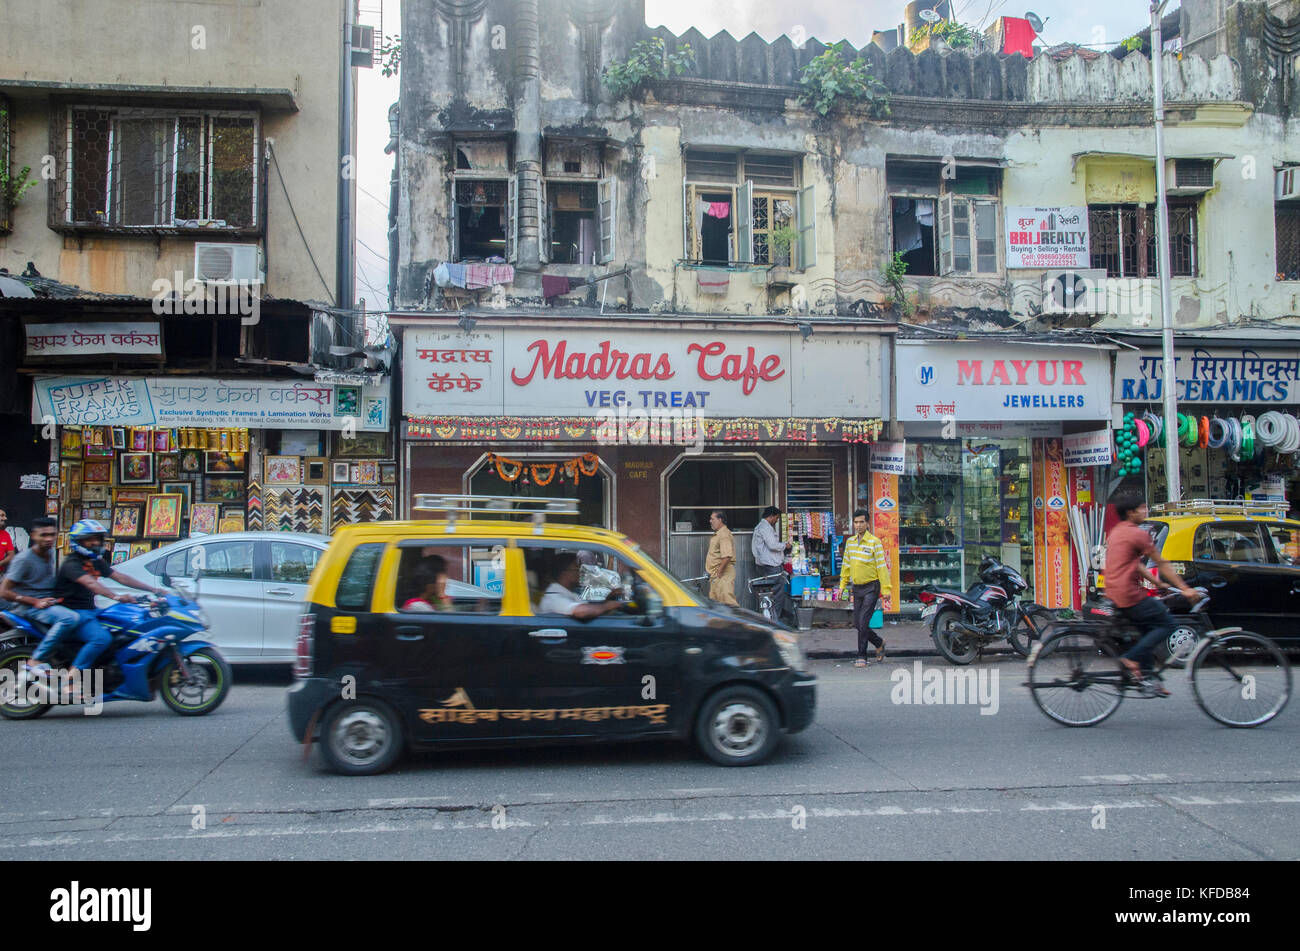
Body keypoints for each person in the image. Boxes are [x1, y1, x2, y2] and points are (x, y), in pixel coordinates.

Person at [1104, 491, 1203, 696]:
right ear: (1131, 512)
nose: (1145, 511)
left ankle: (1148, 679)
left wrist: (1156, 582)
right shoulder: (1137, 533)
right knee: (1167, 623)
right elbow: (1162, 563)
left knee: (1148, 630)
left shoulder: (1117, 532)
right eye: (1142, 508)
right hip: (1129, 594)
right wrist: (1185, 588)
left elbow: (1134, 564)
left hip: (1114, 591)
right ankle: (1131, 658)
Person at [54, 519, 163, 677]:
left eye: (97, 538)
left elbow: (119, 576)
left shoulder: (95, 561)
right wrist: (116, 596)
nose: (95, 542)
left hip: (90, 611)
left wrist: (153, 589)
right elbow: (90, 583)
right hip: (75, 613)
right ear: (78, 541)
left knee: (123, 627)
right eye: (89, 539)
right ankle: (72, 678)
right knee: (101, 639)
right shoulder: (71, 564)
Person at [0, 517, 79, 673]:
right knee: (69, 619)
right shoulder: (24, 559)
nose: (49, 539)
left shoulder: (49, 553)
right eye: (43, 535)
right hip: (27, 608)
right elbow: (4, 591)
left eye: (52, 534)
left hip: (47, 605)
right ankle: (34, 660)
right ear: (33, 535)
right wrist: (35, 601)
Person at [839, 509, 893, 667]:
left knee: (863, 621)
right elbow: (846, 566)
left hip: (872, 587)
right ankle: (879, 642)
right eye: (856, 522)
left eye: (862, 522)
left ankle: (861, 656)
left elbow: (882, 567)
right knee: (857, 623)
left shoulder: (874, 542)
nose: (858, 525)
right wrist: (842, 585)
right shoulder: (850, 543)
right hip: (857, 588)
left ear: (868, 523)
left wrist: (886, 589)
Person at [538, 552, 624, 620]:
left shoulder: (569, 593)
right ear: (565, 573)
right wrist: (607, 606)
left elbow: (590, 606)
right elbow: (582, 611)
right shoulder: (553, 597)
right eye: (577, 569)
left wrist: (610, 596)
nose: (581, 572)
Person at [751, 505, 790, 622]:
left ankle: (767, 617)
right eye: (776, 518)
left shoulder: (761, 527)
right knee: (777, 593)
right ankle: (775, 619)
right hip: (771, 566)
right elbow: (772, 545)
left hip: (763, 564)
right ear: (771, 516)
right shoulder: (766, 528)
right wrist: (785, 545)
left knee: (766, 592)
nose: (777, 521)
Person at [705, 510, 739, 607]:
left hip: (723, 575)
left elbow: (727, 555)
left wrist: (719, 572)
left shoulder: (724, 534)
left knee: (728, 604)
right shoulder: (719, 533)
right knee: (716, 604)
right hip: (716, 575)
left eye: (712, 519)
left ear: (720, 520)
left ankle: (736, 621)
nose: (710, 521)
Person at [0, 508, 16, 576]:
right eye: (2, 515)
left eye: (5, 516)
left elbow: (11, 555)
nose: (5, 518)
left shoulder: (5, 534)